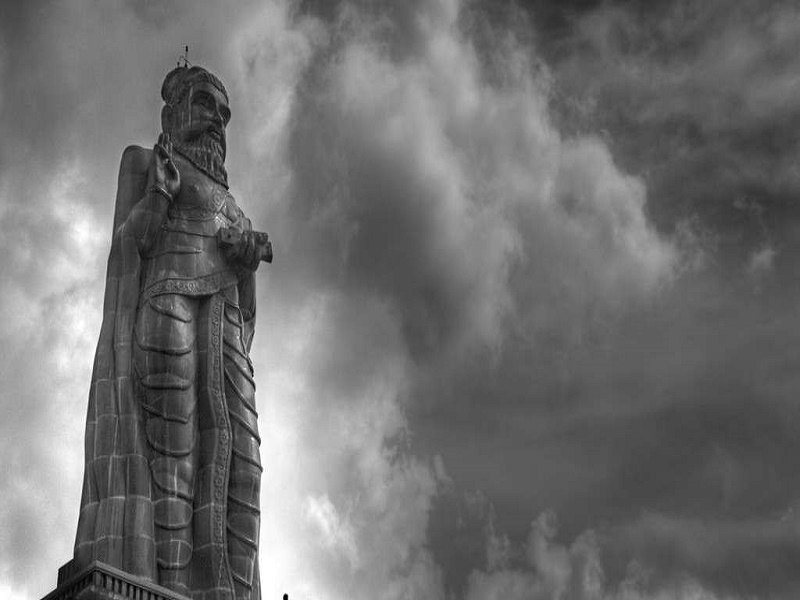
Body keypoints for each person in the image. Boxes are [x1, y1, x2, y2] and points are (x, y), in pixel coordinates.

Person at [73, 65, 266, 600]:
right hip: (167, 310)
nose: (216, 124)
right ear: (173, 111)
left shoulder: (237, 208)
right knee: (174, 464)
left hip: (225, 331)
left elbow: (248, 312)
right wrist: (159, 196)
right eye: (205, 105)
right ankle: (170, 589)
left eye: (224, 116)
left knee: (243, 467)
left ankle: (232, 590)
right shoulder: (146, 161)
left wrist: (247, 262)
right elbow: (128, 245)